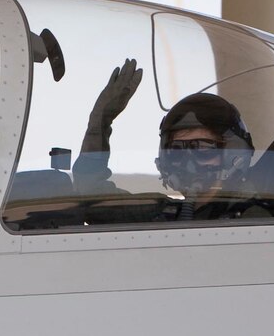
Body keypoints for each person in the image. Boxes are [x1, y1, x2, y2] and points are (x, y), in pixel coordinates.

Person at [73, 58, 256, 221]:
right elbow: (92, 200)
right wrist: (99, 124)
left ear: (234, 155)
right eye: (176, 151)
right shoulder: (163, 217)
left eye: (203, 149)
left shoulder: (260, 220)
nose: (188, 162)